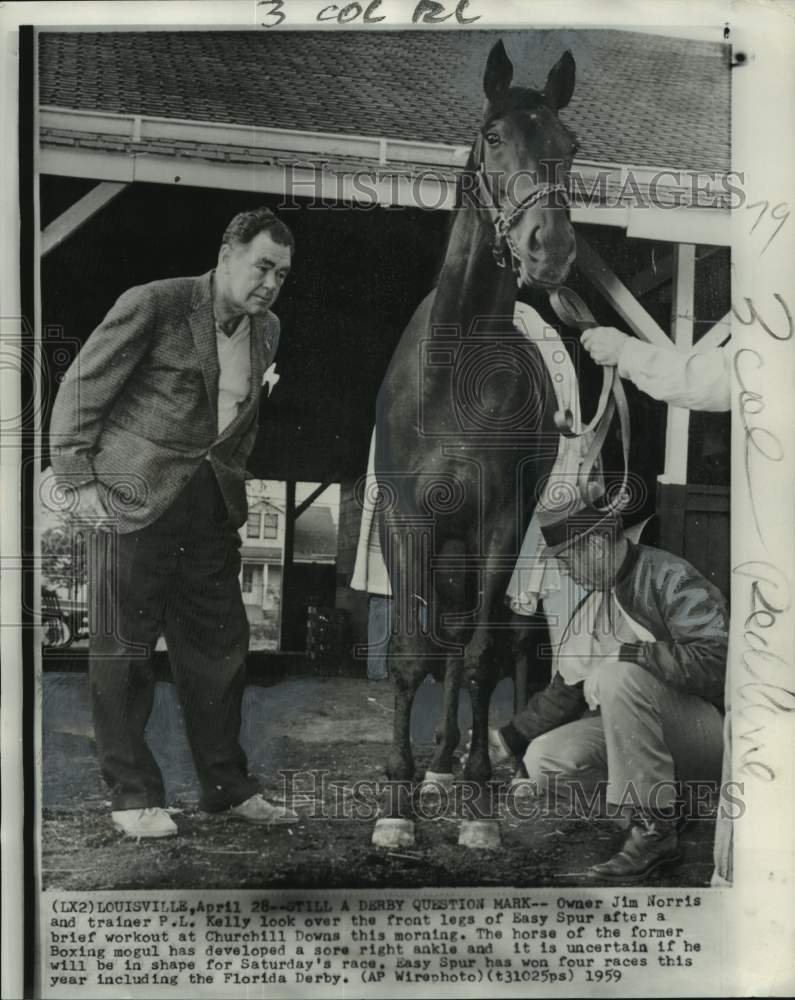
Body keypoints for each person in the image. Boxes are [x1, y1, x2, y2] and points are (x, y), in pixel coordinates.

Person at [49, 207, 298, 838]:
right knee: (125, 651)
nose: (270, 283)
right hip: (133, 502)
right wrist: (79, 483)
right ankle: (133, 794)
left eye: (282, 275)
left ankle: (226, 787)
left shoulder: (266, 331)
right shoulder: (156, 305)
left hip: (209, 511)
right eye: (262, 266)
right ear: (227, 253)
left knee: (220, 650)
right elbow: (81, 389)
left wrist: (233, 492)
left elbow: (243, 420)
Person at [484, 491, 728, 882]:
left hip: (706, 735)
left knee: (619, 675)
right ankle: (667, 806)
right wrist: (507, 739)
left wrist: (633, 655)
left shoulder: (669, 576)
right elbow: (568, 687)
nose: (565, 571)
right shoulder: (598, 598)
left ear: (596, 543)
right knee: (543, 760)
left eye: (566, 559)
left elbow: (718, 663)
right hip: (649, 741)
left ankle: (654, 833)